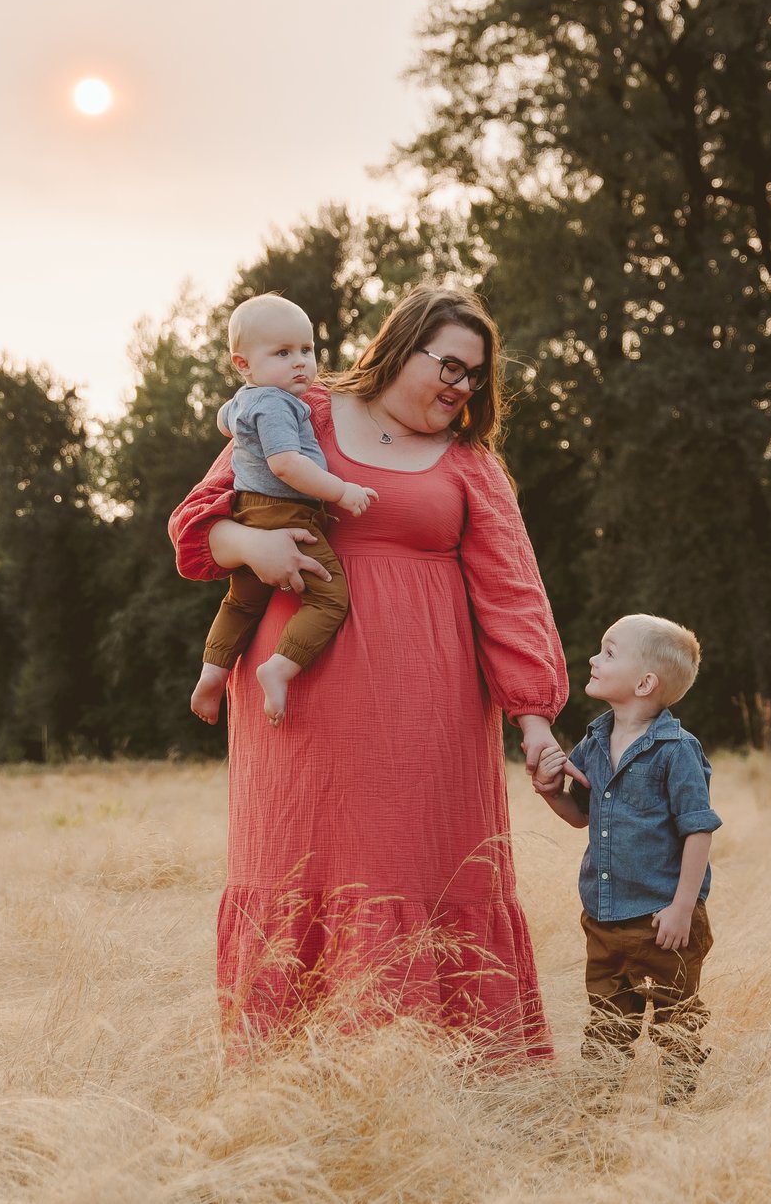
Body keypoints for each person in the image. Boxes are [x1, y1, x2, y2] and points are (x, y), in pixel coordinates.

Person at [167, 286, 570, 1054]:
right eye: (449, 364)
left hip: (431, 720)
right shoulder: (297, 406)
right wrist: (249, 547)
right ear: (400, 346)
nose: (462, 385)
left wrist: (537, 726)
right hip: (302, 709)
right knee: (302, 871)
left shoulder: (471, 465)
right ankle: (291, 1085)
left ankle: (440, 1087)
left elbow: (512, 596)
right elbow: (195, 525)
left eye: (476, 375)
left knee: (423, 874)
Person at [531, 613, 721, 1104]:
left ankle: (676, 1114)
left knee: (675, 1024)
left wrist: (682, 907)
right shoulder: (594, 743)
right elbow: (581, 817)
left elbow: (698, 830)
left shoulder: (675, 750)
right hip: (605, 918)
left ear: (645, 683)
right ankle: (596, 1120)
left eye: (609, 652)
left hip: (663, 919)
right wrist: (551, 792)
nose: (594, 659)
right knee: (608, 1027)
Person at [190, 294, 378, 727]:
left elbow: (224, 421)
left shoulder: (245, 398)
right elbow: (286, 463)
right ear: (243, 364)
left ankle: (212, 673)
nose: (300, 364)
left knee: (242, 603)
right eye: (282, 353)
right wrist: (340, 491)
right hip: (285, 514)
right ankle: (279, 667)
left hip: (249, 512)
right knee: (330, 599)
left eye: (306, 350)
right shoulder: (276, 403)